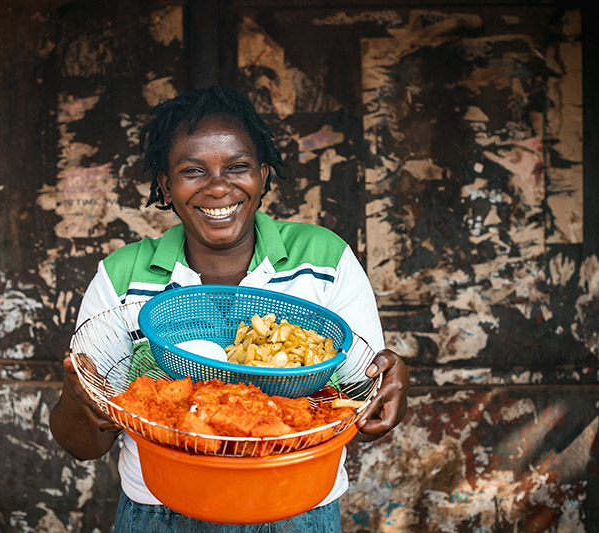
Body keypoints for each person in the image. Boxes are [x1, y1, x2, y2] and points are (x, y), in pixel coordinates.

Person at [49, 86, 409, 532]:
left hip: (295, 507)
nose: (218, 187)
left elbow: (361, 395)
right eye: (192, 171)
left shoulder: (323, 259)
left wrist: (388, 384)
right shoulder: (124, 276)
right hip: (159, 511)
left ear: (262, 175)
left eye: (237, 167)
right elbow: (84, 445)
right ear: (165, 184)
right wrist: (76, 395)